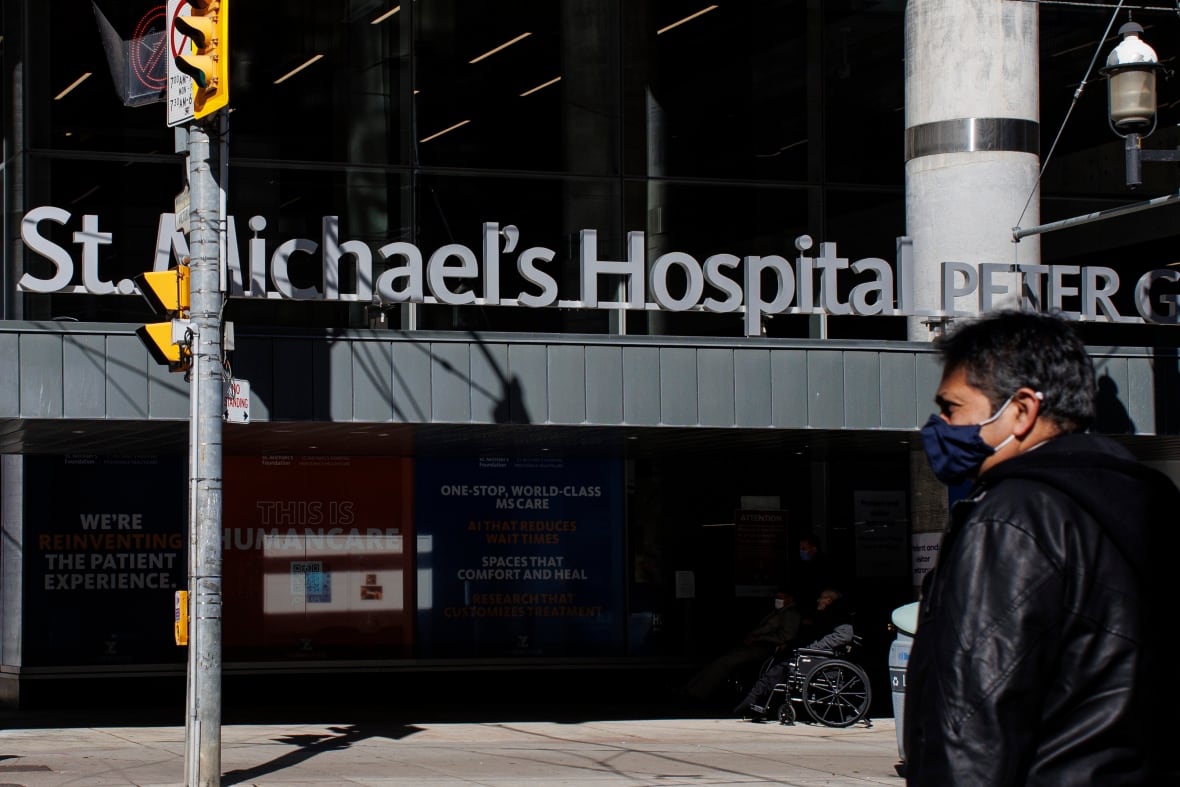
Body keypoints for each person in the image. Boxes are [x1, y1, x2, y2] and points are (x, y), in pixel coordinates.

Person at [904, 310, 1180, 785]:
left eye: (952, 408)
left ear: (1022, 409)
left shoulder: (1011, 516)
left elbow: (973, 726)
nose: (940, 425)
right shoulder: (1151, 503)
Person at [733, 587, 854, 718]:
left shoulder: (840, 618)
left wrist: (813, 647)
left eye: (821, 598)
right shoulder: (829, 616)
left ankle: (747, 704)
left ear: (829, 600)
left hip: (822, 660)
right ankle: (755, 703)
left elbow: (843, 636)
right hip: (816, 657)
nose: (818, 600)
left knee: (777, 671)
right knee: (776, 669)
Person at [683, 589, 801, 703]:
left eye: (781, 597)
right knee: (721, 660)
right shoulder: (778, 612)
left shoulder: (790, 614)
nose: (777, 600)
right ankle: (693, 688)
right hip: (756, 645)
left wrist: (758, 638)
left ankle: (697, 692)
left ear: (790, 599)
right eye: (777, 597)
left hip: (764, 648)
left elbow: (786, 637)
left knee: (724, 662)